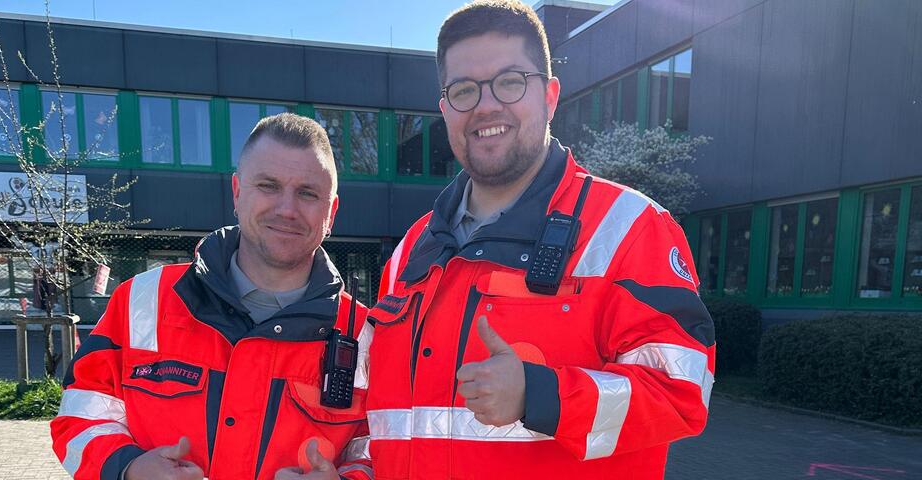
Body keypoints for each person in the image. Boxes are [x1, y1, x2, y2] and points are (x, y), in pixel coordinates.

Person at [362, 1, 717, 478]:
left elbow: (681, 395)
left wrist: (542, 395)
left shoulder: (631, 228)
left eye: (510, 82)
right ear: (445, 110)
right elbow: (379, 418)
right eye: (464, 90)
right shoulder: (412, 250)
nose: (486, 105)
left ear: (549, 96)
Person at [50, 114, 373, 480]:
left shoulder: (365, 335)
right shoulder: (141, 301)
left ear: (331, 211)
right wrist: (128, 468)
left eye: (308, 193)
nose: (287, 209)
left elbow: (379, 449)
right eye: (268, 186)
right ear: (237, 192)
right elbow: (79, 415)